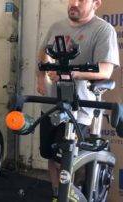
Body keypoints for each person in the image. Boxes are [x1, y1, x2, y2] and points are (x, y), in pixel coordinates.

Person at [36, 0, 119, 201]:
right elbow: (42, 53)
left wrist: (71, 73)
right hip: (51, 104)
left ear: (96, 3)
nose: (74, 3)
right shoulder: (57, 27)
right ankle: (58, 195)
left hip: (79, 108)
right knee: (50, 155)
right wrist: (40, 77)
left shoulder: (103, 29)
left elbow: (105, 69)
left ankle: (75, 195)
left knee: (68, 160)